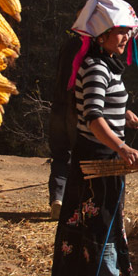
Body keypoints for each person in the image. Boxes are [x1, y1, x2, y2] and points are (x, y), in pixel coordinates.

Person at [51, 0, 138, 276]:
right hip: (98, 157)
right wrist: (123, 147)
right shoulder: (96, 67)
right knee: (102, 224)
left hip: (102, 155)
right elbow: (93, 118)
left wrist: (124, 115)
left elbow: (101, 106)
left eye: (127, 31)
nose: (126, 37)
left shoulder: (106, 65)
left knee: (90, 223)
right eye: (120, 32)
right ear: (102, 35)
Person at [47, 31, 83, 219]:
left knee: (60, 156)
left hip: (58, 106)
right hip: (75, 110)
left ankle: (57, 199)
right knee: (81, 157)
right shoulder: (90, 47)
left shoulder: (67, 44)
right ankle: (75, 204)